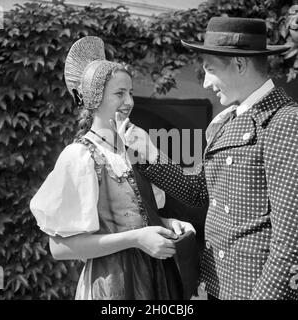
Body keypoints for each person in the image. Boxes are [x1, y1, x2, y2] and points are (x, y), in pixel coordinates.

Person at [120, 17, 298, 300]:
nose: (205, 83)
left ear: (239, 64)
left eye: (210, 70)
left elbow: (290, 239)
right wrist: (149, 151)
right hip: (216, 287)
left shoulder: (285, 121)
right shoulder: (226, 122)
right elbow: (198, 191)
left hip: (255, 292)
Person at [29, 36, 196, 300]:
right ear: (95, 98)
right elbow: (60, 248)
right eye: (119, 93)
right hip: (112, 284)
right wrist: (135, 238)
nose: (129, 101)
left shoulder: (133, 150)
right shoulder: (80, 157)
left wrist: (165, 223)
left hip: (156, 279)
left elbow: (133, 218)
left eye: (130, 92)